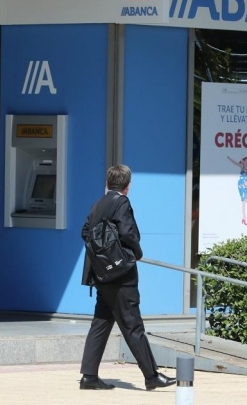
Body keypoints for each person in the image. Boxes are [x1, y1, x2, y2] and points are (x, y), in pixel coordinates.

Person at [78, 164, 176, 391]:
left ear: (108, 183)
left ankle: (89, 377)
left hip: (102, 274)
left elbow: (85, 232)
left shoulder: (98, 204)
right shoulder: (121, 202)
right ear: (128, 186)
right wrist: (136, 253)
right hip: (121, 274)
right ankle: (151, 375)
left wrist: (102, 255)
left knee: (101, 323)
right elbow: (127, 233)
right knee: (133, 324)